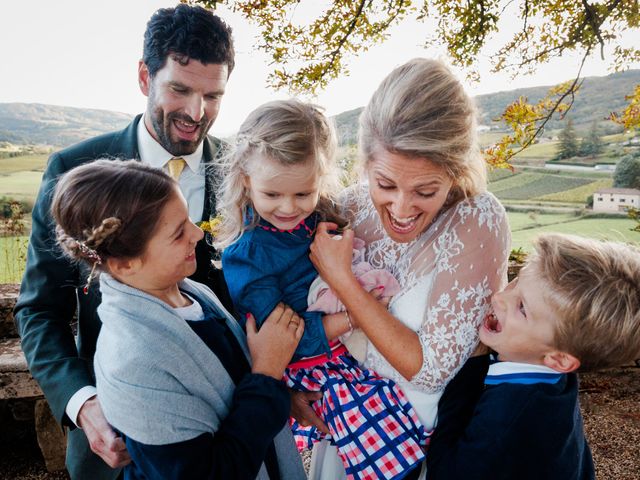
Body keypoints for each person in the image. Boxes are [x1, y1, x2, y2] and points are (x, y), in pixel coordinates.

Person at [13, 5, 235, 478]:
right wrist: (84, 403)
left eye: (213, 96)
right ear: (144, 77)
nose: (197, 114)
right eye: (180, 89)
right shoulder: (73, 170)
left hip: (232, 436)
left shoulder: (244, 171)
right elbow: (37, 309)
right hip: (115, 444)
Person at [305, 58, 512, 479]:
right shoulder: (348, 206)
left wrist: (344, 280)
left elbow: (430, 370)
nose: (401, 208)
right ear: (365, 164)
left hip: (424, 448)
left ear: (454, 172)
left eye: (425, 190)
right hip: (346, 433)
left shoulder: (477, 220)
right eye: (385, 184)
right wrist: (295, 388)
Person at [50, 159, 306, 479]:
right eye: (177, 233)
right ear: (123, 264)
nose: (198, 234)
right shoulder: (133, 361)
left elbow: (232, 381)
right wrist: (268, 373)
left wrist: (284, 396)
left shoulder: (188, 291)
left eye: (189, 220)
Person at [216, 99, 429, 480]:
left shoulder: (319, 215)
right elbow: (280, 338)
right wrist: (351, 317)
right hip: (310, 360)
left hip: (342, 347)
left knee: (404, 423)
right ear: (246, 179)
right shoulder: (247, 256)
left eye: (302, 194)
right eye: (273, 195)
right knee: (380, 443)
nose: (288, 208)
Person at [426, 233, 640, 480]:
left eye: (522, 308)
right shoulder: (550, 375)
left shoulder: (509, 415)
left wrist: (468, 369)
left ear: (559, 360)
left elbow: (445, 472)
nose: (498, 297)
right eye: (515, 281)